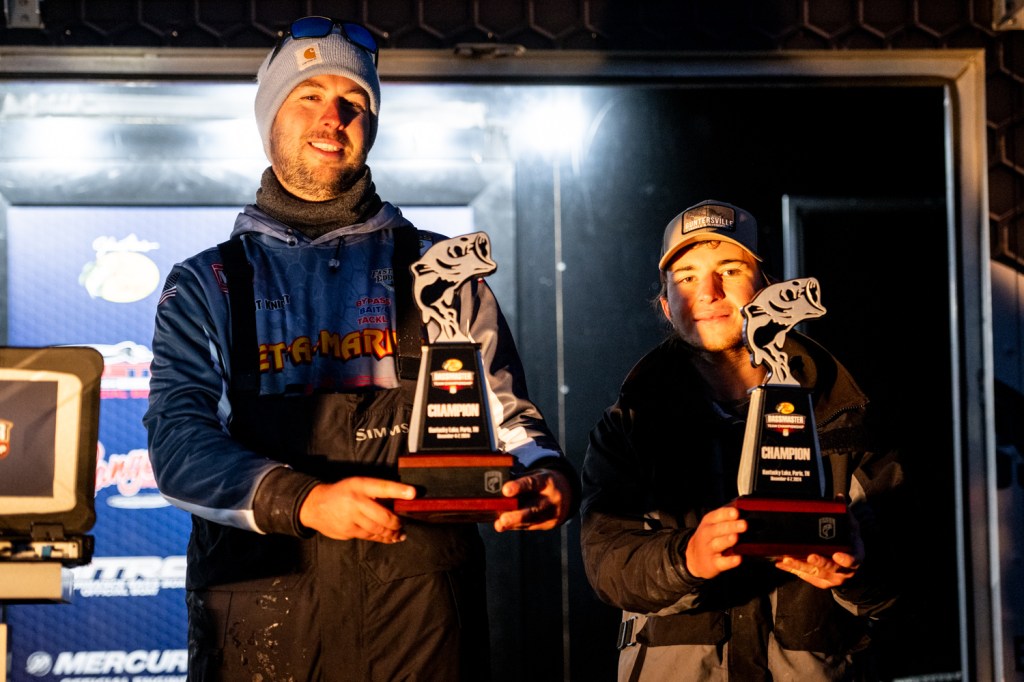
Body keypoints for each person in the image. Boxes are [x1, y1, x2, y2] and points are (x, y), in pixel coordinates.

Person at [143, 16, 577, 681]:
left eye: (355, 102)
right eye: (309, 96)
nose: (333, 117)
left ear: (371, 126)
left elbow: (509, 418)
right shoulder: (208, 283)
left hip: (422, 622)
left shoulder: (440, 270)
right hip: (263, 624)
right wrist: (305, 501)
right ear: (270, 117)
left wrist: (544, 473)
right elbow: (178, 446)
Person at [579, 200, 903, 680]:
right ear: (667, 306)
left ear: (769, 289)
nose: (708, 292)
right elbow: (607, 564)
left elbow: (907, 576)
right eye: (686, 277)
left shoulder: (844, 414)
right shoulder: (629, 426)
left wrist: (856, 572)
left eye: (730, 270)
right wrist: (687, 558)